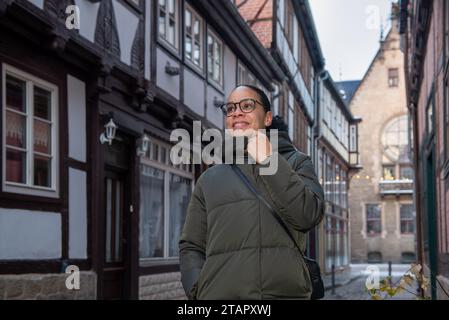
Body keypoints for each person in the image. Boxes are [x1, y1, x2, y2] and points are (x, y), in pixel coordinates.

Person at [179, 84, 325, 300]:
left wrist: (269, 160)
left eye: (247, 105)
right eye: (230, 108)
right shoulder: (209, 178)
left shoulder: (296, 163)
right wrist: (198, 291)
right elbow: (191, 245)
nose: (236, 112)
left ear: (267, 118)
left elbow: (308, 215)